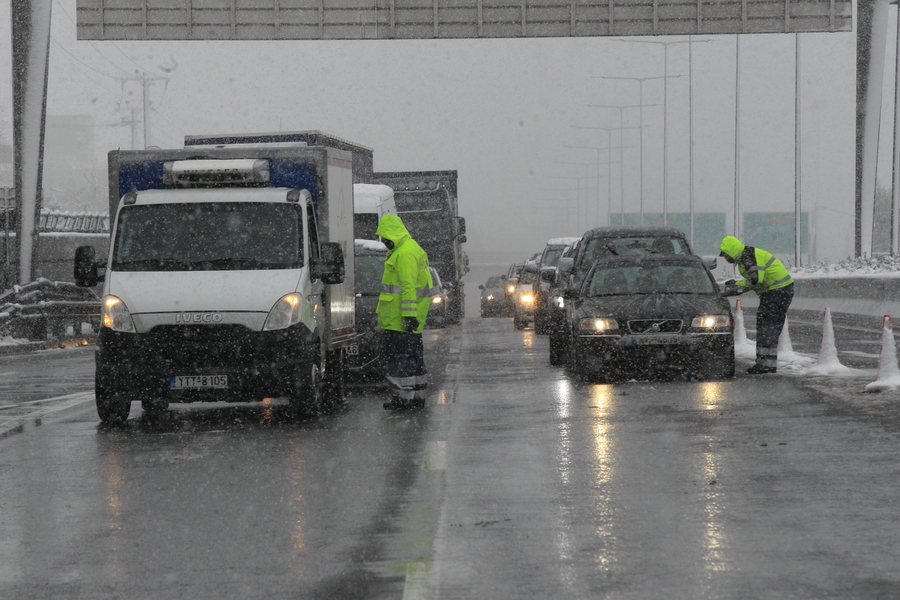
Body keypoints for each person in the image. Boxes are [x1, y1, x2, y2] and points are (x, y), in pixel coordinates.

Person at [375, 214, 436, 409]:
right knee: (414, 359)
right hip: (405, 320)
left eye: (384, 237)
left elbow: (408, 287)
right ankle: (416, 397)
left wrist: (408, 316)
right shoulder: (409, 248)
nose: (383, 242)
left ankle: (403, 399)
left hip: (399, 321)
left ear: (392, 233)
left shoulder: (404, 253)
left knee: (400, 361)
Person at [719, 235, 794, 374]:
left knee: (768, 326)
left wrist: (736, 288)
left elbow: (754, 280)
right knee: (765, 324)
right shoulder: (745, 258)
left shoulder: (748, 257)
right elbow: (752, 281)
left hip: (777, 291)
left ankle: (766, 365)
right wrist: (736, 286)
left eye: (726, 255)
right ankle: (765, 364)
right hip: (774, 292)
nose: (726, 258)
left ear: (732, 250)